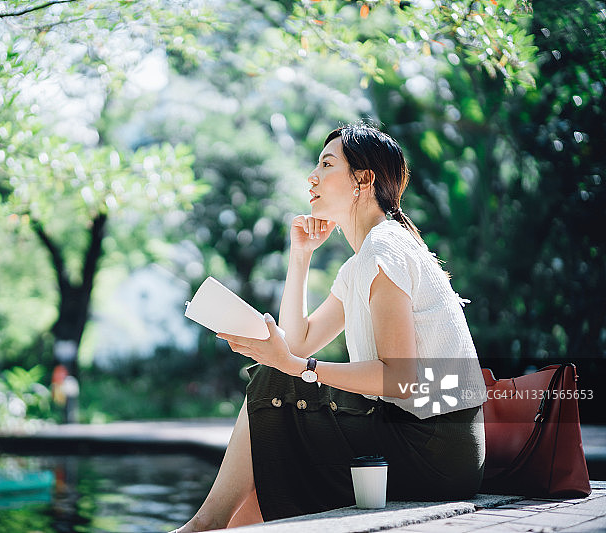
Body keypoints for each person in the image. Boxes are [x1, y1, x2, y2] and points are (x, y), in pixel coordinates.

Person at [173, 123, 487, 532]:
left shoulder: (384, 248)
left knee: (275, 383)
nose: (312, 177)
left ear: (363, 180)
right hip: (411, 436)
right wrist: (300, 255)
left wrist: (298, 368)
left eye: (326, 164)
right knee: (275, 406)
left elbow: (400, 378)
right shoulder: (360, 264)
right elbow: (299, 341)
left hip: (437, 449)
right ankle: (216, 526)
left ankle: (203, 524)